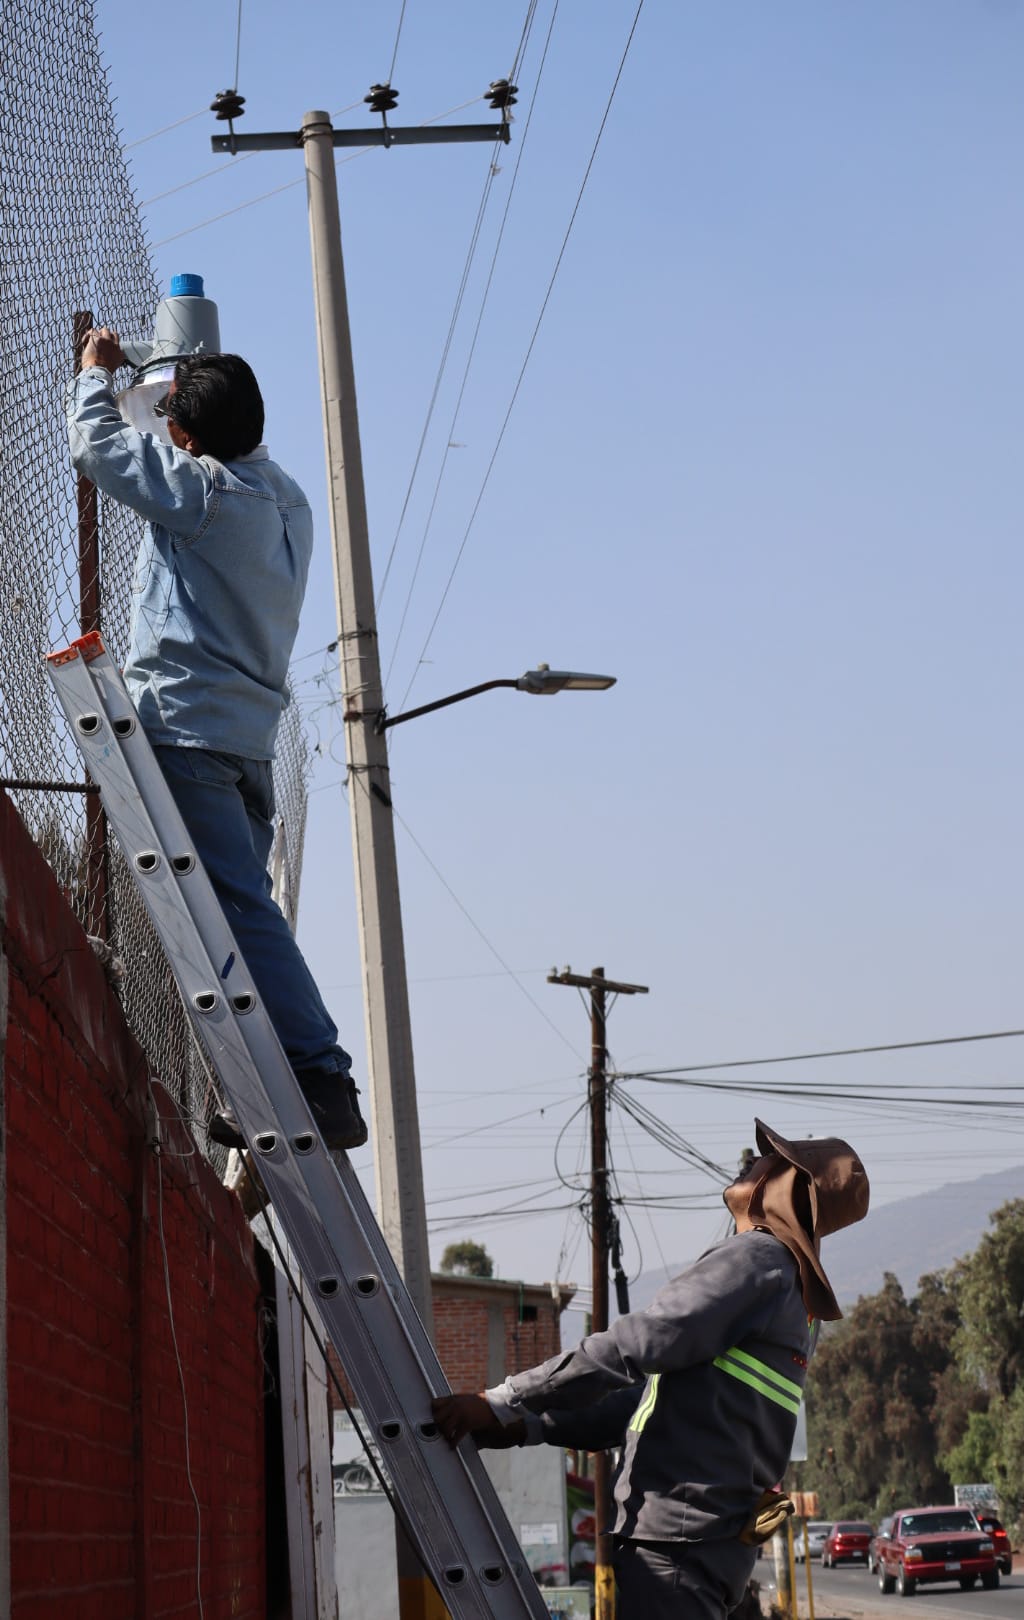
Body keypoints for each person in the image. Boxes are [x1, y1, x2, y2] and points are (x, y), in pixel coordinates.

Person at [66, 329, 366, 1151]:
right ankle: (281, 1082)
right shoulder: (287, 500)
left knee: (235, 911)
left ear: (185, 438)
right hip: (247, 739)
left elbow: (97, 447)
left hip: (187, 729)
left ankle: (321, 1073)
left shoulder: (202, 494)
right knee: (242, 913)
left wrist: (96, 377)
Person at [432, 1119, 870, 1620]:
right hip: (706, 1543)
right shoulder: (797, 1297)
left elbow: (633, 1345)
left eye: (772, 1160)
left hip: (675, 1546)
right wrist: (524, 1427)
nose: (755, 1162)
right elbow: (642, 1402)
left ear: (790, 1188)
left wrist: (502, 1399)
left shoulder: (758, 1259)